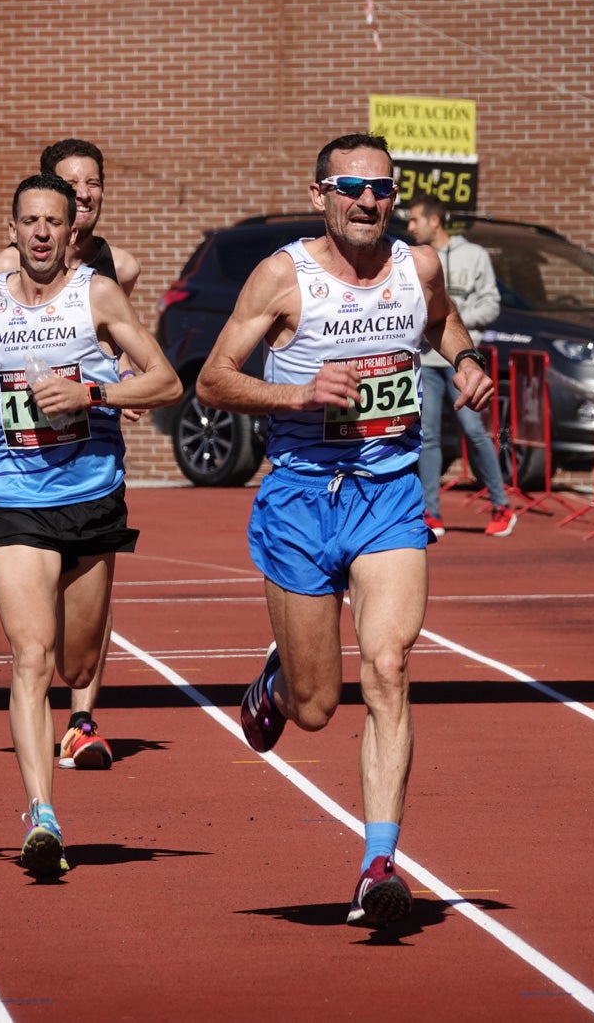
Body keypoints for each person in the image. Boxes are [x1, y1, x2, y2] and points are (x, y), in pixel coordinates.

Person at [196, 132, 494, 930]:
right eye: (352, 187)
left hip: (388, 492)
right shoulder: (281, 277)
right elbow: (213, 379)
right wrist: (294, 397)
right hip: (298, 498)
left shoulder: (417, 269)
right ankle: (276, 682)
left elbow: (443, 325)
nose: (368, 201)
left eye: (382, 189)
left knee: (389, 667)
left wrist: (463, 363)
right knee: (317, 706)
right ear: (321, 193)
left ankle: (376, 863)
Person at [0, 174, 182, 876]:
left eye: (54, 222)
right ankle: (42, 814)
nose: (41, 232)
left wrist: (91, 391)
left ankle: (77, 713)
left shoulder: (97, 296)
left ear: (71, 234)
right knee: (30, 658)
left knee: (75, 661)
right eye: (29, 221)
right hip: (14, 498)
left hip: (91, 496)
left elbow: (167, 382)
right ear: (11, 231)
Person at [0, 139, 142, 770]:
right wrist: (3, 411)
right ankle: (47, 790)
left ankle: (83, 715)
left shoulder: (117, 270)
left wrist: (115, 389)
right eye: (72, 182)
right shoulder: (5, 269)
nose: (86, 191)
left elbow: (124, 350)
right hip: (21, 480)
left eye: (93, 182)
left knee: (82, 631)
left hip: (92, 467)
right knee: (34, 648)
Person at [407, 194, 517, 538]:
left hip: (465, 361)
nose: (410, 227)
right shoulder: (414, 260)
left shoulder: (475, 255)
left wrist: (452, 324)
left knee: (475, 432)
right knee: (428, 437)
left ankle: (501, 505)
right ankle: (431, 513)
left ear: (434, 221)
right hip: (426, 360)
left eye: (415, 220)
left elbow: (491, 303)